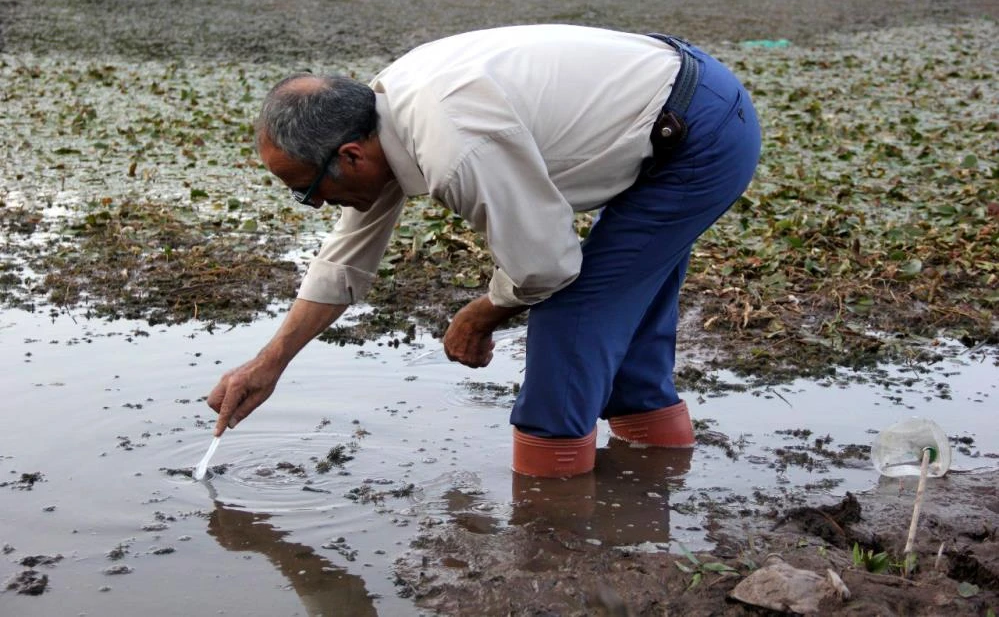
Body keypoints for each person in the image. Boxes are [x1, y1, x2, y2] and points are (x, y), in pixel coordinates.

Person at [206, 24, 760, 478]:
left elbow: (545, 267)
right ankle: (655, 476)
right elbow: (344, 260)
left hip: (698, 133)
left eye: (306, 190)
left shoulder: (453, 146)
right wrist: (268, 364)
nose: (314, 205)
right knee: (627, 323)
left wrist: (480, 314)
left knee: (571, 313)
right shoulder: (380, 114)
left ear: (350, 156)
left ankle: (553, 521)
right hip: (681, 103)